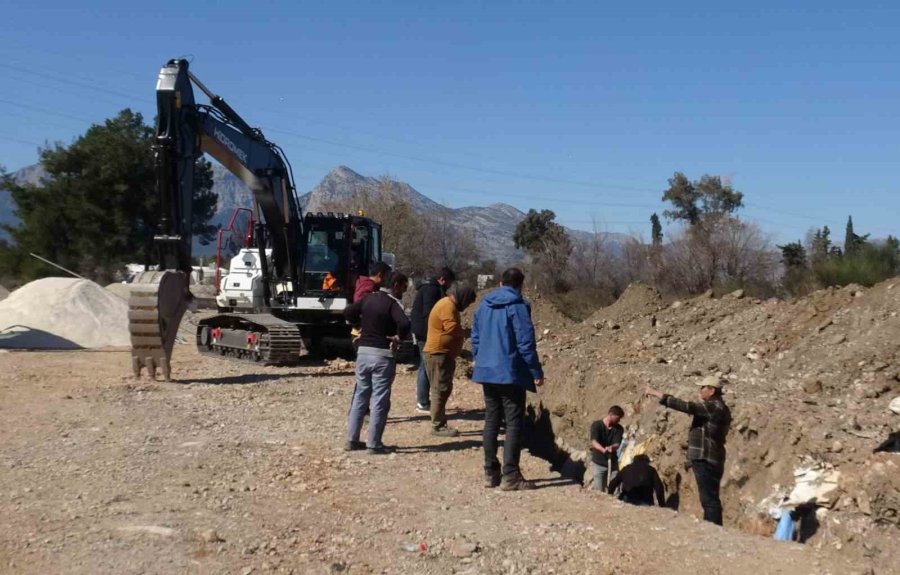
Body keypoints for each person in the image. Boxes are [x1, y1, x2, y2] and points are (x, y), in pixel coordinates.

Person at [471, 267, 544, 491]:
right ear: (520, 285)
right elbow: (525, 342)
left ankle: (490, 471)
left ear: (501, 283)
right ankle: (510, 474)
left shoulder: (483, 305)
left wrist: (481, 358)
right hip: (510, 372)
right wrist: (536, 372)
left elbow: (475, 337)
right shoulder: (518, 306)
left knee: (492, 420)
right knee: (513, 423)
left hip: (486, 370)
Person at [645, 375, 732, 525]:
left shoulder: (714, 406)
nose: (700, 390)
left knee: (709, 499)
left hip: (705, 456)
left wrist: (657, 393)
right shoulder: (718, 407)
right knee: (711, 497)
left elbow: (687, 406)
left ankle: (712, 530)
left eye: (702, 387)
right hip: (713, 456)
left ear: (711, 390)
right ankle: (714, 528)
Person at [343, 272, 411, 454]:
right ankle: (374, 444)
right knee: (380, 399)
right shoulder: (392, 303)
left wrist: (357, 326)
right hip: (382, 354)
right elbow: (404, 323)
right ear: (395, 284)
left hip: (363, 354)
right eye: (404, 287)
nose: (404, 291)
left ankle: (351, 439)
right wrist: (398, 338)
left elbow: (348, 311)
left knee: (360, 396)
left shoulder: (368, 299)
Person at [422, 285, 477, 437]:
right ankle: (438, 426)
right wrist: (468, 332)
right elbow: (452, 329)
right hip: (438, 354)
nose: (466, 307)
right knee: (439, 389)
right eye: (467, 303)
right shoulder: (447, 306)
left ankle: (439, 421)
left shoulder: (447, 305)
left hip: (443, 355)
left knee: (443, 388)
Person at [410, 267, 456, 413]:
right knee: (425, 366)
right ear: (442, 279)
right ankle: (422, 402)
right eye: (448, 282)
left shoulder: (432, 289)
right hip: (426, 333)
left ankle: (424, 401)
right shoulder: (431, 290)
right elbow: (429, 313)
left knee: (425, 365)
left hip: (425, 332)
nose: (448, 286)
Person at [589, 405, 625, 491]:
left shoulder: (619, 429)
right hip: (598, 464)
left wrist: (612, 447)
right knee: (599, 491)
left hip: (613, 465)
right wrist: (603, 450)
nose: (619, 420)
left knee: (615, 490)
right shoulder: (596, 425)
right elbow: (594, 442)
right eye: (618, 418)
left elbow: (617, 443)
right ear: (611, 414)